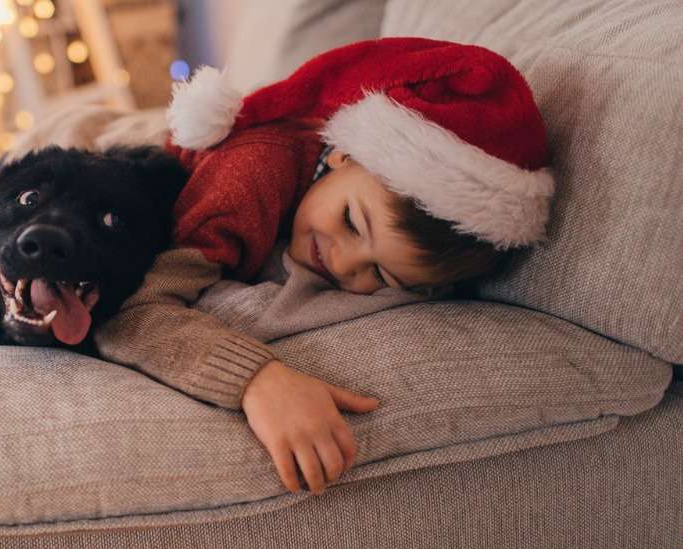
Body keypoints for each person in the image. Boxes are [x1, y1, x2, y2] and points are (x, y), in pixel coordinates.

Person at [94, 37, 555, 496]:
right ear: (343, 155)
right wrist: (257, 379)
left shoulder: (377, 225)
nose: (343, 263)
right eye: (352, 223)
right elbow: (133, 312)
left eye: (380, 277)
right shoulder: (249, 178)